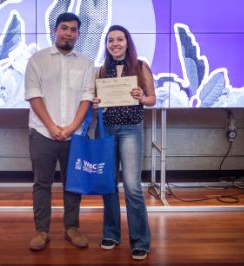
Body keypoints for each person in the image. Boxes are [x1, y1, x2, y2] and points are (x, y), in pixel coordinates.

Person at [24, 12, 95, 251]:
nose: (68, 33)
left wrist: (72, 128)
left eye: (73, 30)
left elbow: (86, 98)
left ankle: (71, 228)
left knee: (73, 184)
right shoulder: (38, 60)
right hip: (42, 132)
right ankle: (41, 231)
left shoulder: (86, 63)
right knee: (41, 184)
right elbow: (34, 95)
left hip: (74, 135)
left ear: (78, 34)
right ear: (55, 30)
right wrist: (53, 127)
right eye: (64, 28)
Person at [93, 25, 156, 260]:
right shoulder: (101, 71)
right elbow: (95, 103)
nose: (115, 44)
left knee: (132, 186)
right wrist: (96, 103)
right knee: (109, 184)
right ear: (107, 45)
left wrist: (142, 97)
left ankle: (140, 240)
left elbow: (152, 100)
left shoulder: (140, 67)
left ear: (127, 42)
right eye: (111, 40)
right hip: (106, 129)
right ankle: (111, 233)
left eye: (120, 39)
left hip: (131, 129)